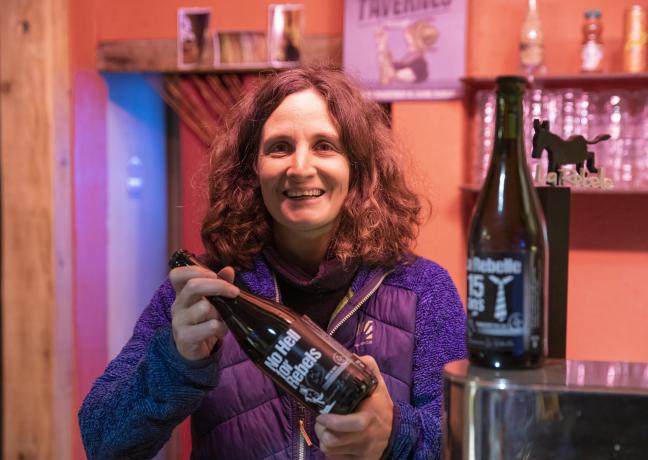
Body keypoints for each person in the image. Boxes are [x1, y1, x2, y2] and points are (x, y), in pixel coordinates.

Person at [79, 66, 467, 460]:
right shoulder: (204, 292)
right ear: (253, 169)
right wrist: (177, 361)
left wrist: (395, 436)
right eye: (279, 147)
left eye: (324, 146)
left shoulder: (425, 289)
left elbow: (467, 441)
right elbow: (101, 439)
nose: (300, 168)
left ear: (358, 168)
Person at [376, 20, 439, 85]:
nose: (407, 30)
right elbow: (389, 66)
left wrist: (382, 44)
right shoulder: (412, 57)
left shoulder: (418, 65)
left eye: (412, 29)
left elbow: (385, 79)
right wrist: (382, 43)